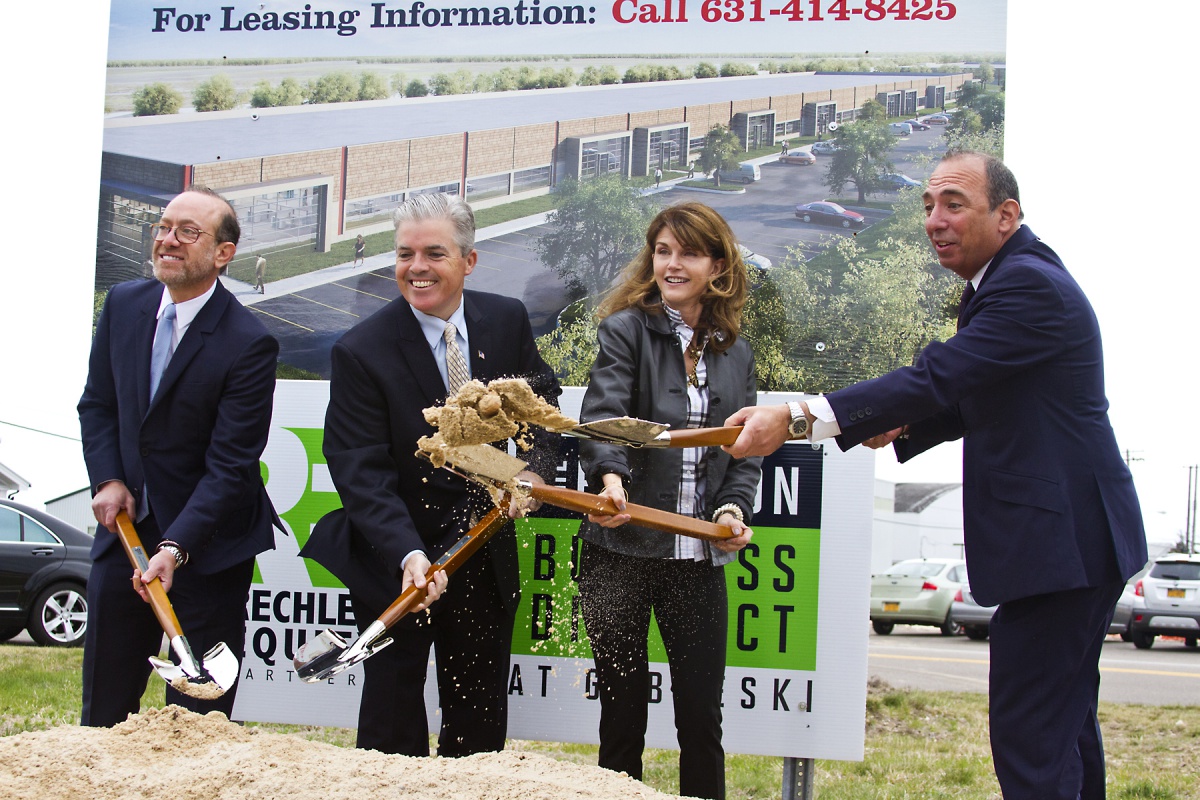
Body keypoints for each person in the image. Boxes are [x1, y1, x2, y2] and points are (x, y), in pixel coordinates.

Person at [723, 150, 1147, 800]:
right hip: (1074, 548)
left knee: (1032, 741)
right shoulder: (1007, 284)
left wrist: (797, 419)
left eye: (954, 203)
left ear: (1006, 215)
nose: (934, 220)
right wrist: (905, 425)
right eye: (927, 205)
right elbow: (975, 393)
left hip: (1063, 550)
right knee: (1061, 736)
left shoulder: (1027, 286)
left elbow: (941, 377)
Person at [300, 193, 562, 757]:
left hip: (483, 554)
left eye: (434, 253)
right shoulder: (360, 351)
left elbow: (542, 407)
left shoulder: (506, 319)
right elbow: (359, 470)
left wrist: (530, 475)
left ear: (468, 261)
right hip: (399, 564)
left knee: (478, 729)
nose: (416, 267)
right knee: (392, 730)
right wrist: (409, 556)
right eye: (404, 253)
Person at [576, 202, 760, 800]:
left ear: (717, 264)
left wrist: (732, 512)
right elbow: (604, 417)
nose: (672, 264)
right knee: (622, 720)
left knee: (702, 722)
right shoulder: (625, 328)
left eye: (687, 252)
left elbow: (744, 451)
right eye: (662, 251)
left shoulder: (738, 351)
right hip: (619, 553)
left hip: (699, 564)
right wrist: (609, 478)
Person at [78, 187, 281, 727]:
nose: (168, 240)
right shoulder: (124, 304)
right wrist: (108, 479)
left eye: (187, 232)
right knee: (103, 712)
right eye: (163, 227)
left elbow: (231, 465)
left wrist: (176, 546)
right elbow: (98, 404)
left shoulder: (249, 342)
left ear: (223, 253)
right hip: (125, 539)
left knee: (197, 725)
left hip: (209, 552)